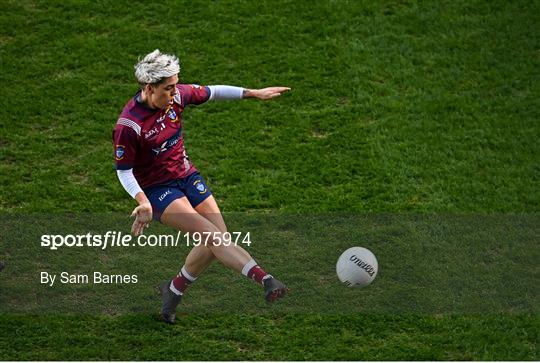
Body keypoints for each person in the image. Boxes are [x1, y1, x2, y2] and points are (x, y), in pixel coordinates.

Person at [113, 49, 290, 324]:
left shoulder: (177, 96)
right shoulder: (129, 125)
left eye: (176, 86)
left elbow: (212, 91)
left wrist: (254, 93)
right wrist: (143, 201)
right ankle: (265, 280)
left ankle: (173, 290)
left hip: (186, 174)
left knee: (218, 236)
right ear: (150, 88)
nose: (175, 94)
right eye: (168, 89)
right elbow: (124, 171)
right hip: (158, 190)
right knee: (212, 235)